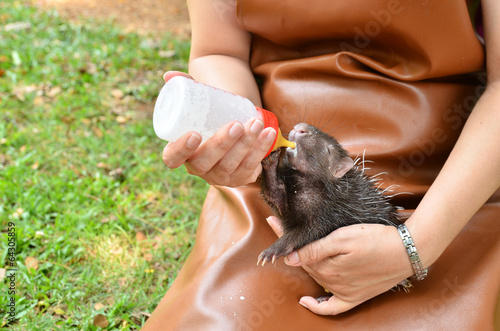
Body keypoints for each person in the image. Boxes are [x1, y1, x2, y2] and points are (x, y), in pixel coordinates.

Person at [142, 0, 500, 329]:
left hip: (458, 183)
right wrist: (242, 139)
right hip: (271, 181)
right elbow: (218, 51)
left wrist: (417, 244)